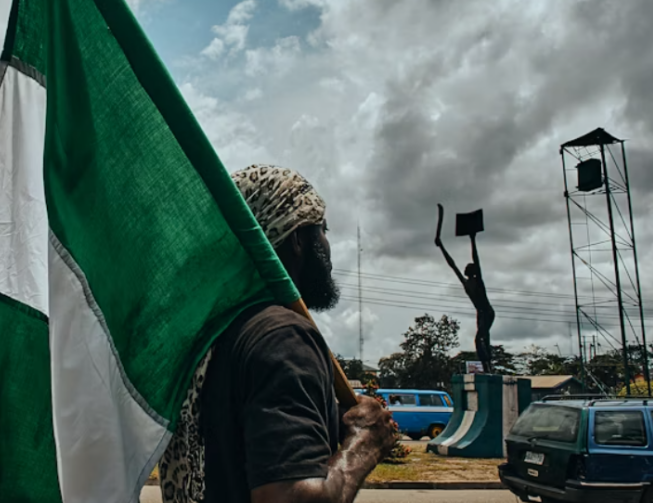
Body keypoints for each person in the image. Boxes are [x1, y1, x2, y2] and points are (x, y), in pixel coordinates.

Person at [160, 164, 397, 503]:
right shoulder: (282, 338)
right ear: (298, 238)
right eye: (323, 229)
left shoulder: (209, 338)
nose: (329, 247)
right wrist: (364, 445)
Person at [434, 217, 496, 374]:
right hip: (480, 313)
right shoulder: (466, 282)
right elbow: (452, 264)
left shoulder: (478, 281)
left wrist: (472, 240)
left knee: (480, 339)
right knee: (484, 339)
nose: (465, 267)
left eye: (469, 267)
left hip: (487, 312)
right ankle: (488, 366)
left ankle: (488, 366)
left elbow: (476, 258)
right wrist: (441, 247)